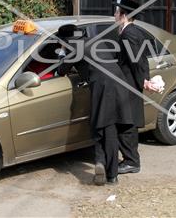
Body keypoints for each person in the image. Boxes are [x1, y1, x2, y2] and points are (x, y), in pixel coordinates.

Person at [57, 24, 133, 185]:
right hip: (119, 85)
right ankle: (105, 168)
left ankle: (107, 170)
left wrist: (62, 52)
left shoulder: (74, 48)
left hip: (104, 89)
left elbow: (61, 71)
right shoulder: (94, 41)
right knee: (107, 127)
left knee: (103, 127)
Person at [114, 0, 153, 174]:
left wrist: (143, 81)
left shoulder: (129, 34)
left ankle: (131, 161)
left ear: (124, 15)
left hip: (129, 83)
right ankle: (130, 159)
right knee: (126, 121)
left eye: (117, 12)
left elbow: (136, 60)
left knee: (127, 122)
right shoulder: (130, 30)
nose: (114, 14)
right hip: (129, 81)